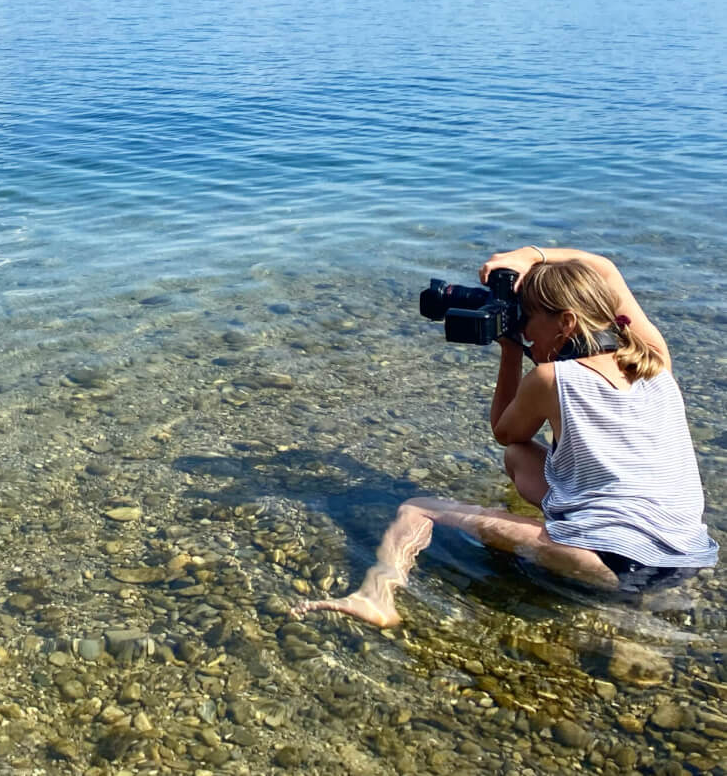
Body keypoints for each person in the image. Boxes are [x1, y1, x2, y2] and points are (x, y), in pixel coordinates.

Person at [299, 246, 717, 627]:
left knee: (416, 508)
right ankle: (581, 535)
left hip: (609, 564)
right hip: (685, 559)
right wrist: (531, 256)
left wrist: (511, 351)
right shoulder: (655, 360)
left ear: (566, 322)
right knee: (520, 458)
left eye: (529, 319)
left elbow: (503, 430)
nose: (526, 330)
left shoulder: (552, 378)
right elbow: (605, 267)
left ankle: (377, 598)